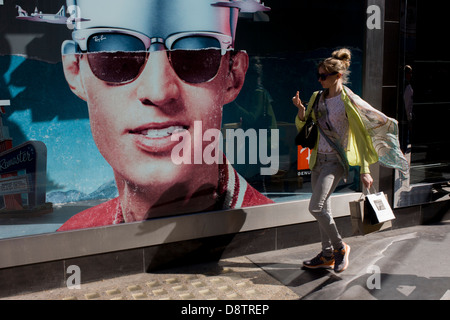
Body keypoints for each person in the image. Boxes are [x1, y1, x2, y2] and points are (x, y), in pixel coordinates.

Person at [56, 0, 274, 231]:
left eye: (193, 56)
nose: (158, 91)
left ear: (233, 76)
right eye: (117, 56)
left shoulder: (268, 231)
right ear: (74, 71)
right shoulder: (73, 236)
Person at [292, 48, 408, 273]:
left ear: (337, 76)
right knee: (323, 207)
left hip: (335, 162)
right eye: (318, 76)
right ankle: (326, 255)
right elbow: (304, 126)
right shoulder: (317, 97)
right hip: (317, 160)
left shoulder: (349, 101)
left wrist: (365, 170)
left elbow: (363, 136)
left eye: (323, 76)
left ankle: (339, 248)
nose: (319, 79)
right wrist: (300, 111)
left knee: (315, 207)